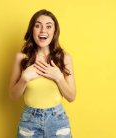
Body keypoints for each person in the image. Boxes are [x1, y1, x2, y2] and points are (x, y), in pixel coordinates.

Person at [9, 9, 76, 138]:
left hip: (57, 121)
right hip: (29, 122)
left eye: (48, 26)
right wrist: (24, 79)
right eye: (38, 25)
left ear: (54, 31)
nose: (43, 30)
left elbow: (71, 97)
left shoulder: (64, 58)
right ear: (32, 30)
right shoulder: (21, 58)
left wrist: (59, 78)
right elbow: (13, 95)